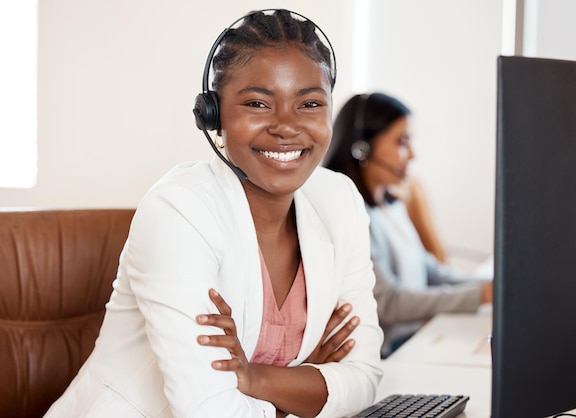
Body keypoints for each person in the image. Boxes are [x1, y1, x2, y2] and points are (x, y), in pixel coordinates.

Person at [44, 10, 383, 418]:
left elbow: (363, 380)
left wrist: (253, 378)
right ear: (213, 117)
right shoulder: (180, 211)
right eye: (258, 103)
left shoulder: (339, 201)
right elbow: (210, 410)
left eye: (309, 103)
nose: (286, 127)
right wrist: (303, 386)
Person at [324, 92, 492, 357]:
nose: (412, 154)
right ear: (362, 148)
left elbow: (431, 273)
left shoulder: (392, 206)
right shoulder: (351, 214)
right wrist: (481, 295)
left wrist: (491, 285)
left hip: (417, 341)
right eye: (402, 142)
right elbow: (389, 302)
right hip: (389, 356)